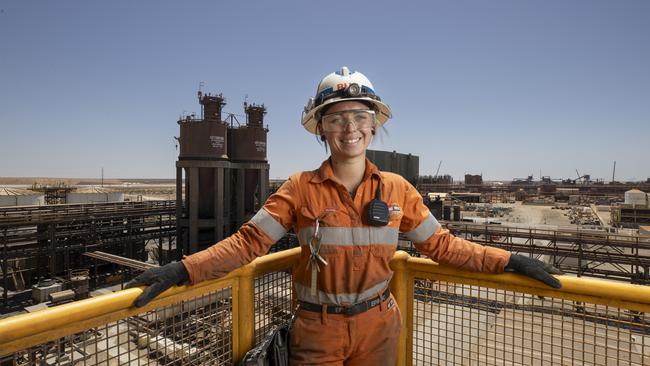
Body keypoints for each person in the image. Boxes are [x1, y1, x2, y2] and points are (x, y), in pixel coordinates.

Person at [128, 66, 562, 365]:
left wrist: (509, 260)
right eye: (336, 118)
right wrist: (184, 269)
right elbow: (249, 244)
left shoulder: (398, 190)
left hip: (380, 324)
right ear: (321, 129)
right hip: (318, 331)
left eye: (359, 116)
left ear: (373, 125)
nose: (349, 128)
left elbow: (443, 246)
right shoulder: (299, 188)